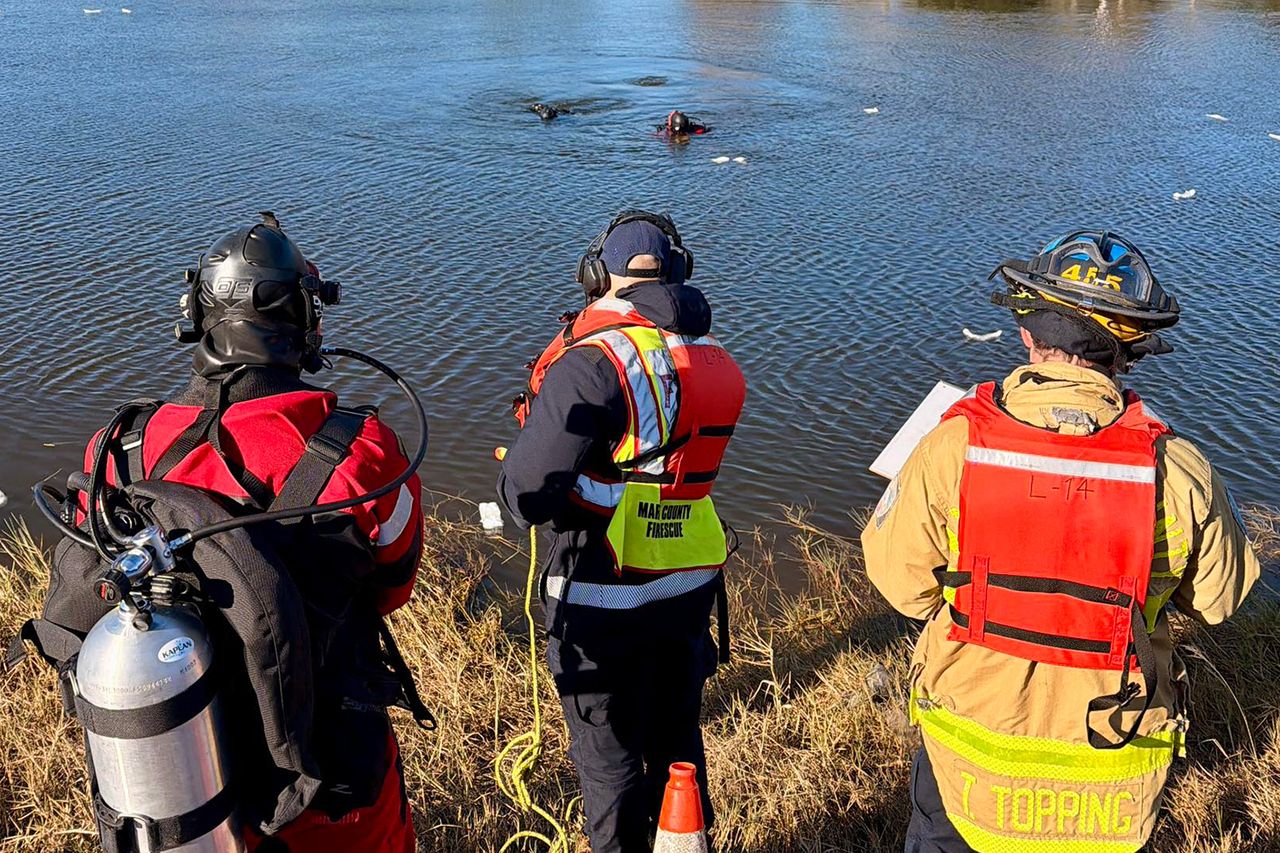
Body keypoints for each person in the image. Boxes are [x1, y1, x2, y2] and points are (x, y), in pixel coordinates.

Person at [26, 214, 426, 852]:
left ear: (195, 315)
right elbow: (394, 586)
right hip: (329, 783)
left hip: (182, 784)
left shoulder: (117, 451)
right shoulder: (365, 453)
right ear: (307, 320)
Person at [861, 230, 1261, 853]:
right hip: (1110, 767)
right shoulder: (1178, 469)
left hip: (966, 760)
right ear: (1127, 351)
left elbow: (903, 587)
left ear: (1028, 334)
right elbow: (1219, 601)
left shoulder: (951, 448)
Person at [498, 210, 746, 852]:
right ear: (677, 273)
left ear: (595, 275)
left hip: (599, 593)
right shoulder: (714, 357)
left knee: (609, 762)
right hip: (687, 584)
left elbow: (526, 496)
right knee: (676, 743)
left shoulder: (592, 362)